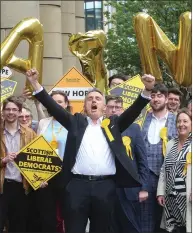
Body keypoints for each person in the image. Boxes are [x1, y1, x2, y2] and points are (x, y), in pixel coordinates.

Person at [26, 68, 155, 233]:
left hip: (105, 187)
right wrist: (35, 83)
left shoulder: (113, 124)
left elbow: (133, 111)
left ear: (103, 106)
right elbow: (53, 106)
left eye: (98, 98)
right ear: (85, 106)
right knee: (74, 228)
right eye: (90, 99)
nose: (94, 101)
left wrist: (148, 90)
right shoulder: (75, 123)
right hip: (76, 187)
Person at [105, 95, 149, 233]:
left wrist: (143, 187)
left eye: (117, 107)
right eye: (111, 107)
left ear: (122, 109)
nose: (114, 110)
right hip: (108, 188)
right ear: (105, 109)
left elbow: (142, 160)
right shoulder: (101, 128)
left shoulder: (134, 128)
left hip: (130, 189)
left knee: (131, 227)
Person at [141, 83, 178, 233]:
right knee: (146, 219)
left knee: (170, 222)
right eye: (153, 95)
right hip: (146, 177)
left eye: (160, 95)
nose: (155, 99)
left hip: (170, 177)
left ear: (167, 98)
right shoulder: (143, 120)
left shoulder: (177, 121)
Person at [34, 90, 70, 233]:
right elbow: (37, 149)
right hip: (46, 175)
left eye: (60, 101)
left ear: (66, 104)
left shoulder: (72, 122)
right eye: (53, 101)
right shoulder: (43, 123)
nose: (56, 104)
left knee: (67, 214)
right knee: (47, 215)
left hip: (66, 174)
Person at [0, 96, 36, 233]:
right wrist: (3, 160)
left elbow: (36, 159)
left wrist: (40, 178)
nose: (10, 112)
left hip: (21, 186)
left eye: (14, 109)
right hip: (2, 186)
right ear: (3, 112)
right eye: (7, 109)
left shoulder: (30, 134)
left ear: (19, 112)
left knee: (19, 226)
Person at [157, 108, 192, 233]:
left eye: (185, 121)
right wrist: (160, 192)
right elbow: (163, 169)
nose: (181, 124)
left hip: (188, 198)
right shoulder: (171, 143)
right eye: (179, 121)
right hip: (171, 198)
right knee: (174, 229)